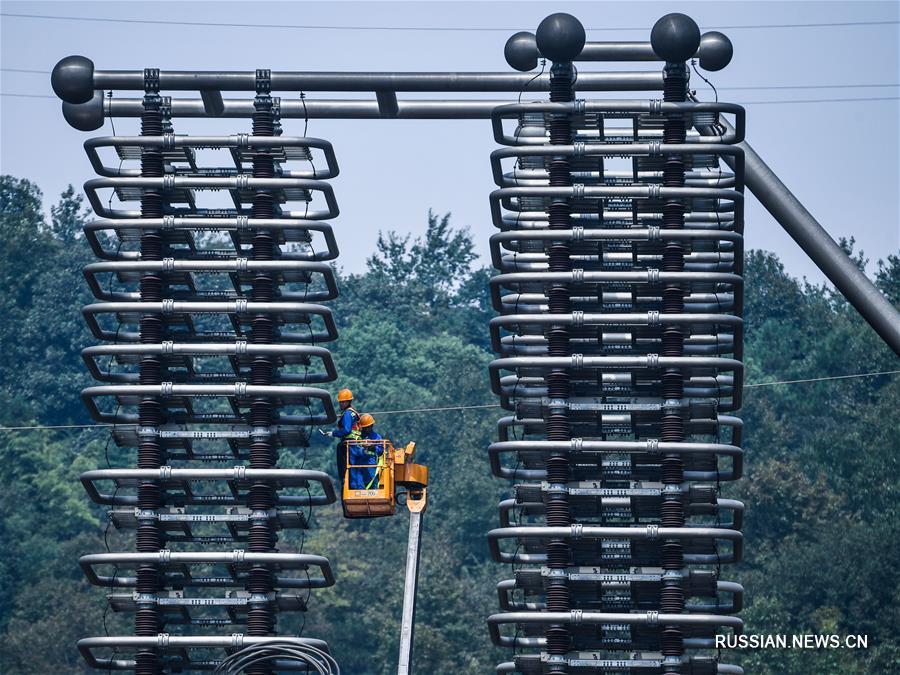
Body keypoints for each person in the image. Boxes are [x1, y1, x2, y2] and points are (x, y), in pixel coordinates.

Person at [321, 388, 360, 482]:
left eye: (344, 402)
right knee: (355, 468)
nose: (341, 404)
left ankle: (346, 482)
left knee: (349, 468)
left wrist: (333, 433)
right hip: (356, 444)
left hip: (349, 445)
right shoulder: (353, 413)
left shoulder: (347, 413)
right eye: (340, 402)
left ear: (348, 401)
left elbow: (346, 430)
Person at [348, 413, 385, 490]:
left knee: (373, 484)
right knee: (359, 485)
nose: (368, 429)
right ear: (362, 427)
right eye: (366, 427)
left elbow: (381, 450)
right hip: (359, 464)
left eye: (369, 427)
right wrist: (362, 447)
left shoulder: (376, 437)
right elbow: (354, 450)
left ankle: (374, 499)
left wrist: (373, 447)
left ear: (372, 426)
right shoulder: (358, 437)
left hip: (371, 464)